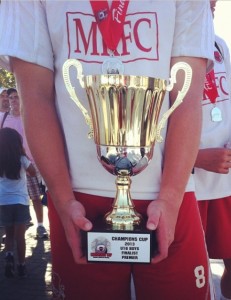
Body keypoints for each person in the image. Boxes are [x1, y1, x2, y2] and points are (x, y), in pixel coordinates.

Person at [0, 1, 214, 299]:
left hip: (169, 193)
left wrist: (171, 196)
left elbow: (187, 96)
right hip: (76, 199)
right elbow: (34, 96)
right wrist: (62, 199)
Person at [194, 1, 231, 300]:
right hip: (189, 185)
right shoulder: (165, 46)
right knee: (195, 272)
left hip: (226, 182)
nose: (213, 3)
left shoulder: (220, 45)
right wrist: (195, 159)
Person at [0, 88, 49, 239]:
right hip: (9, 166)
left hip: (29, 163)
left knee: (35, 197)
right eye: (11, 98)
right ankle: (7, 228)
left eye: (16, 97)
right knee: (7, 197)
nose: (13, 100)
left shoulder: (29, 117)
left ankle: (40, 226)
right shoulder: (2, 117)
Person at [0, 127, 36, 278]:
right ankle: (21, 264)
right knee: (19, 236)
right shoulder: (22, 159)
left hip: (3, 201)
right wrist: (24, 153)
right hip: (20, 201)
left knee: (8, 234)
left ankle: (8, 256)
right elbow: (33, 172)